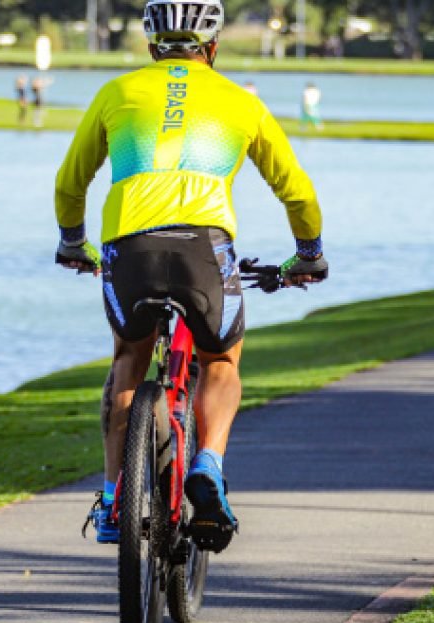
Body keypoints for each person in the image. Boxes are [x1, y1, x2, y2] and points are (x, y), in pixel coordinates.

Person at [54, 0, 326, 552]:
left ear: (151, 47)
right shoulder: (241, 101)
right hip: (204, 248)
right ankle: (207, 463)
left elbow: (69, 183)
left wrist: (72, 242)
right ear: (214, 47)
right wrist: (308, 254)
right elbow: (296, 191)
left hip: (130, 245)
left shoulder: (117, 92)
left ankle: (112, 499)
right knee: (220, 361)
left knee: (128, 360)